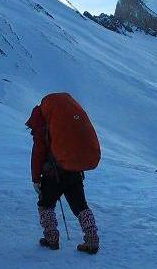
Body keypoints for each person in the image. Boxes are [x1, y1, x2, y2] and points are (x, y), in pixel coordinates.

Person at [26, 93, 101, 254]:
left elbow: (38, 151)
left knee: (45, 205)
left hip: (53, 174)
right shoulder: (63, 120)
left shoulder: (43, 122)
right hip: (74, 170)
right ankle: (92, 240)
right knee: (81, 206)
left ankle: (51, 238)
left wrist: (35, 178)